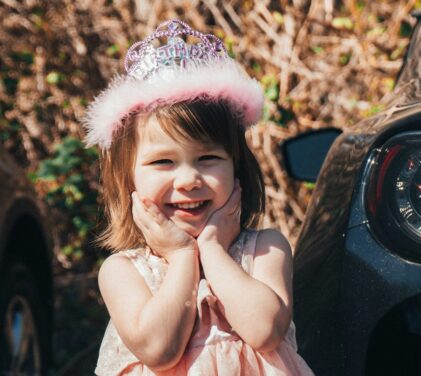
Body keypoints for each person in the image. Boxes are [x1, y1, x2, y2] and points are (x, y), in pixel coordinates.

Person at [84, 19, 314, 375]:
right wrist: (181, 256)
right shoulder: (123, 271)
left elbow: (264, 331)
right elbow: (159, 351)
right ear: (127, 179)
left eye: (208, 159)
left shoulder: (265, 250)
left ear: (237, 167)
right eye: (163, 162)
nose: (189, 179)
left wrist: (213, 250)